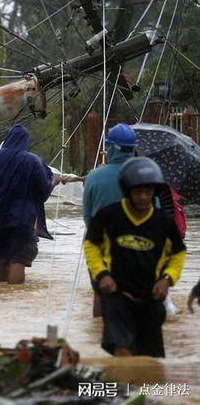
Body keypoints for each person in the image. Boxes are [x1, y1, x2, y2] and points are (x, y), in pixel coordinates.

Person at [84, 157, 186, 357]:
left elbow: (178, 253)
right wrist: (102, 274)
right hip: (117, 297)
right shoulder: (108, 216)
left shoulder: (163, 222)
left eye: (148, 192)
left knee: (148, 361)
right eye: (138, 191)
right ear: (127, 190)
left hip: (150, 299)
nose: (143, 197)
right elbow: (91, 246)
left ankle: (138, 387)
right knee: (122, 351)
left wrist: (167, 280)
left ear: (154, 192)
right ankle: (122, 386)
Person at [0, 125, 58, 284]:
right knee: (18, 261)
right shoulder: (33, 161)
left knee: (1, 259)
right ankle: (16, 301)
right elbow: (43, 191)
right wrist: (53, 183)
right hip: (22, 220)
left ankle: (2, 298)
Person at [82, 124, 137, 316]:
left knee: (100, 293)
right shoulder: (144, 175)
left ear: (111, 147)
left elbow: (87, 216)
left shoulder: (94, 177)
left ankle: (97, 338)